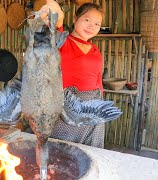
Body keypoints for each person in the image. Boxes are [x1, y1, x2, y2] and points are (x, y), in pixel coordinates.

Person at [40, 2, 106, 148]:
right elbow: (55, 21)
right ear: (75, 19)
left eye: (97, 24)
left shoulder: (95, 50)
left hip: (93, 108)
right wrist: (59, 15)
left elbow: (98, 79)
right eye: (87, 20)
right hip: (66, 107)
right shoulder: (62, 41)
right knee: (61, 152)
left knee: (90, 151)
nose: (91, 26)